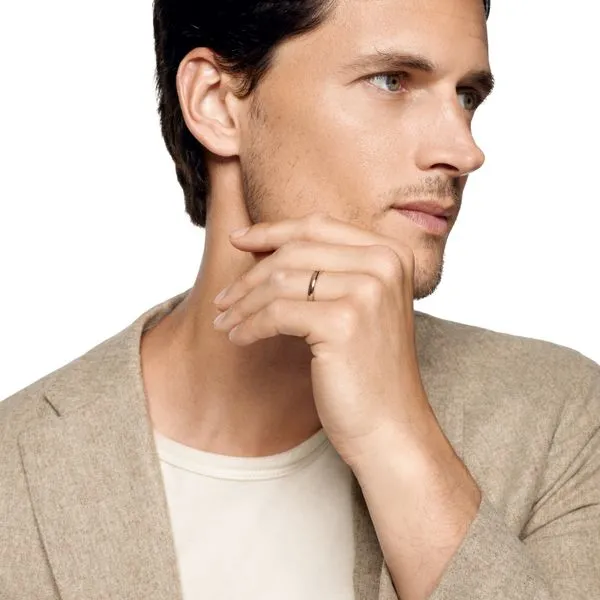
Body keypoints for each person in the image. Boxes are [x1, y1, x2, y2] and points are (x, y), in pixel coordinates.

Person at [1, 0, 599, 598]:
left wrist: (397, 435)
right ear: (216, 103)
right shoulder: (15, 474)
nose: (465, 151)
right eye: (391, 81)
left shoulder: (561, 419)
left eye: (466, 96)